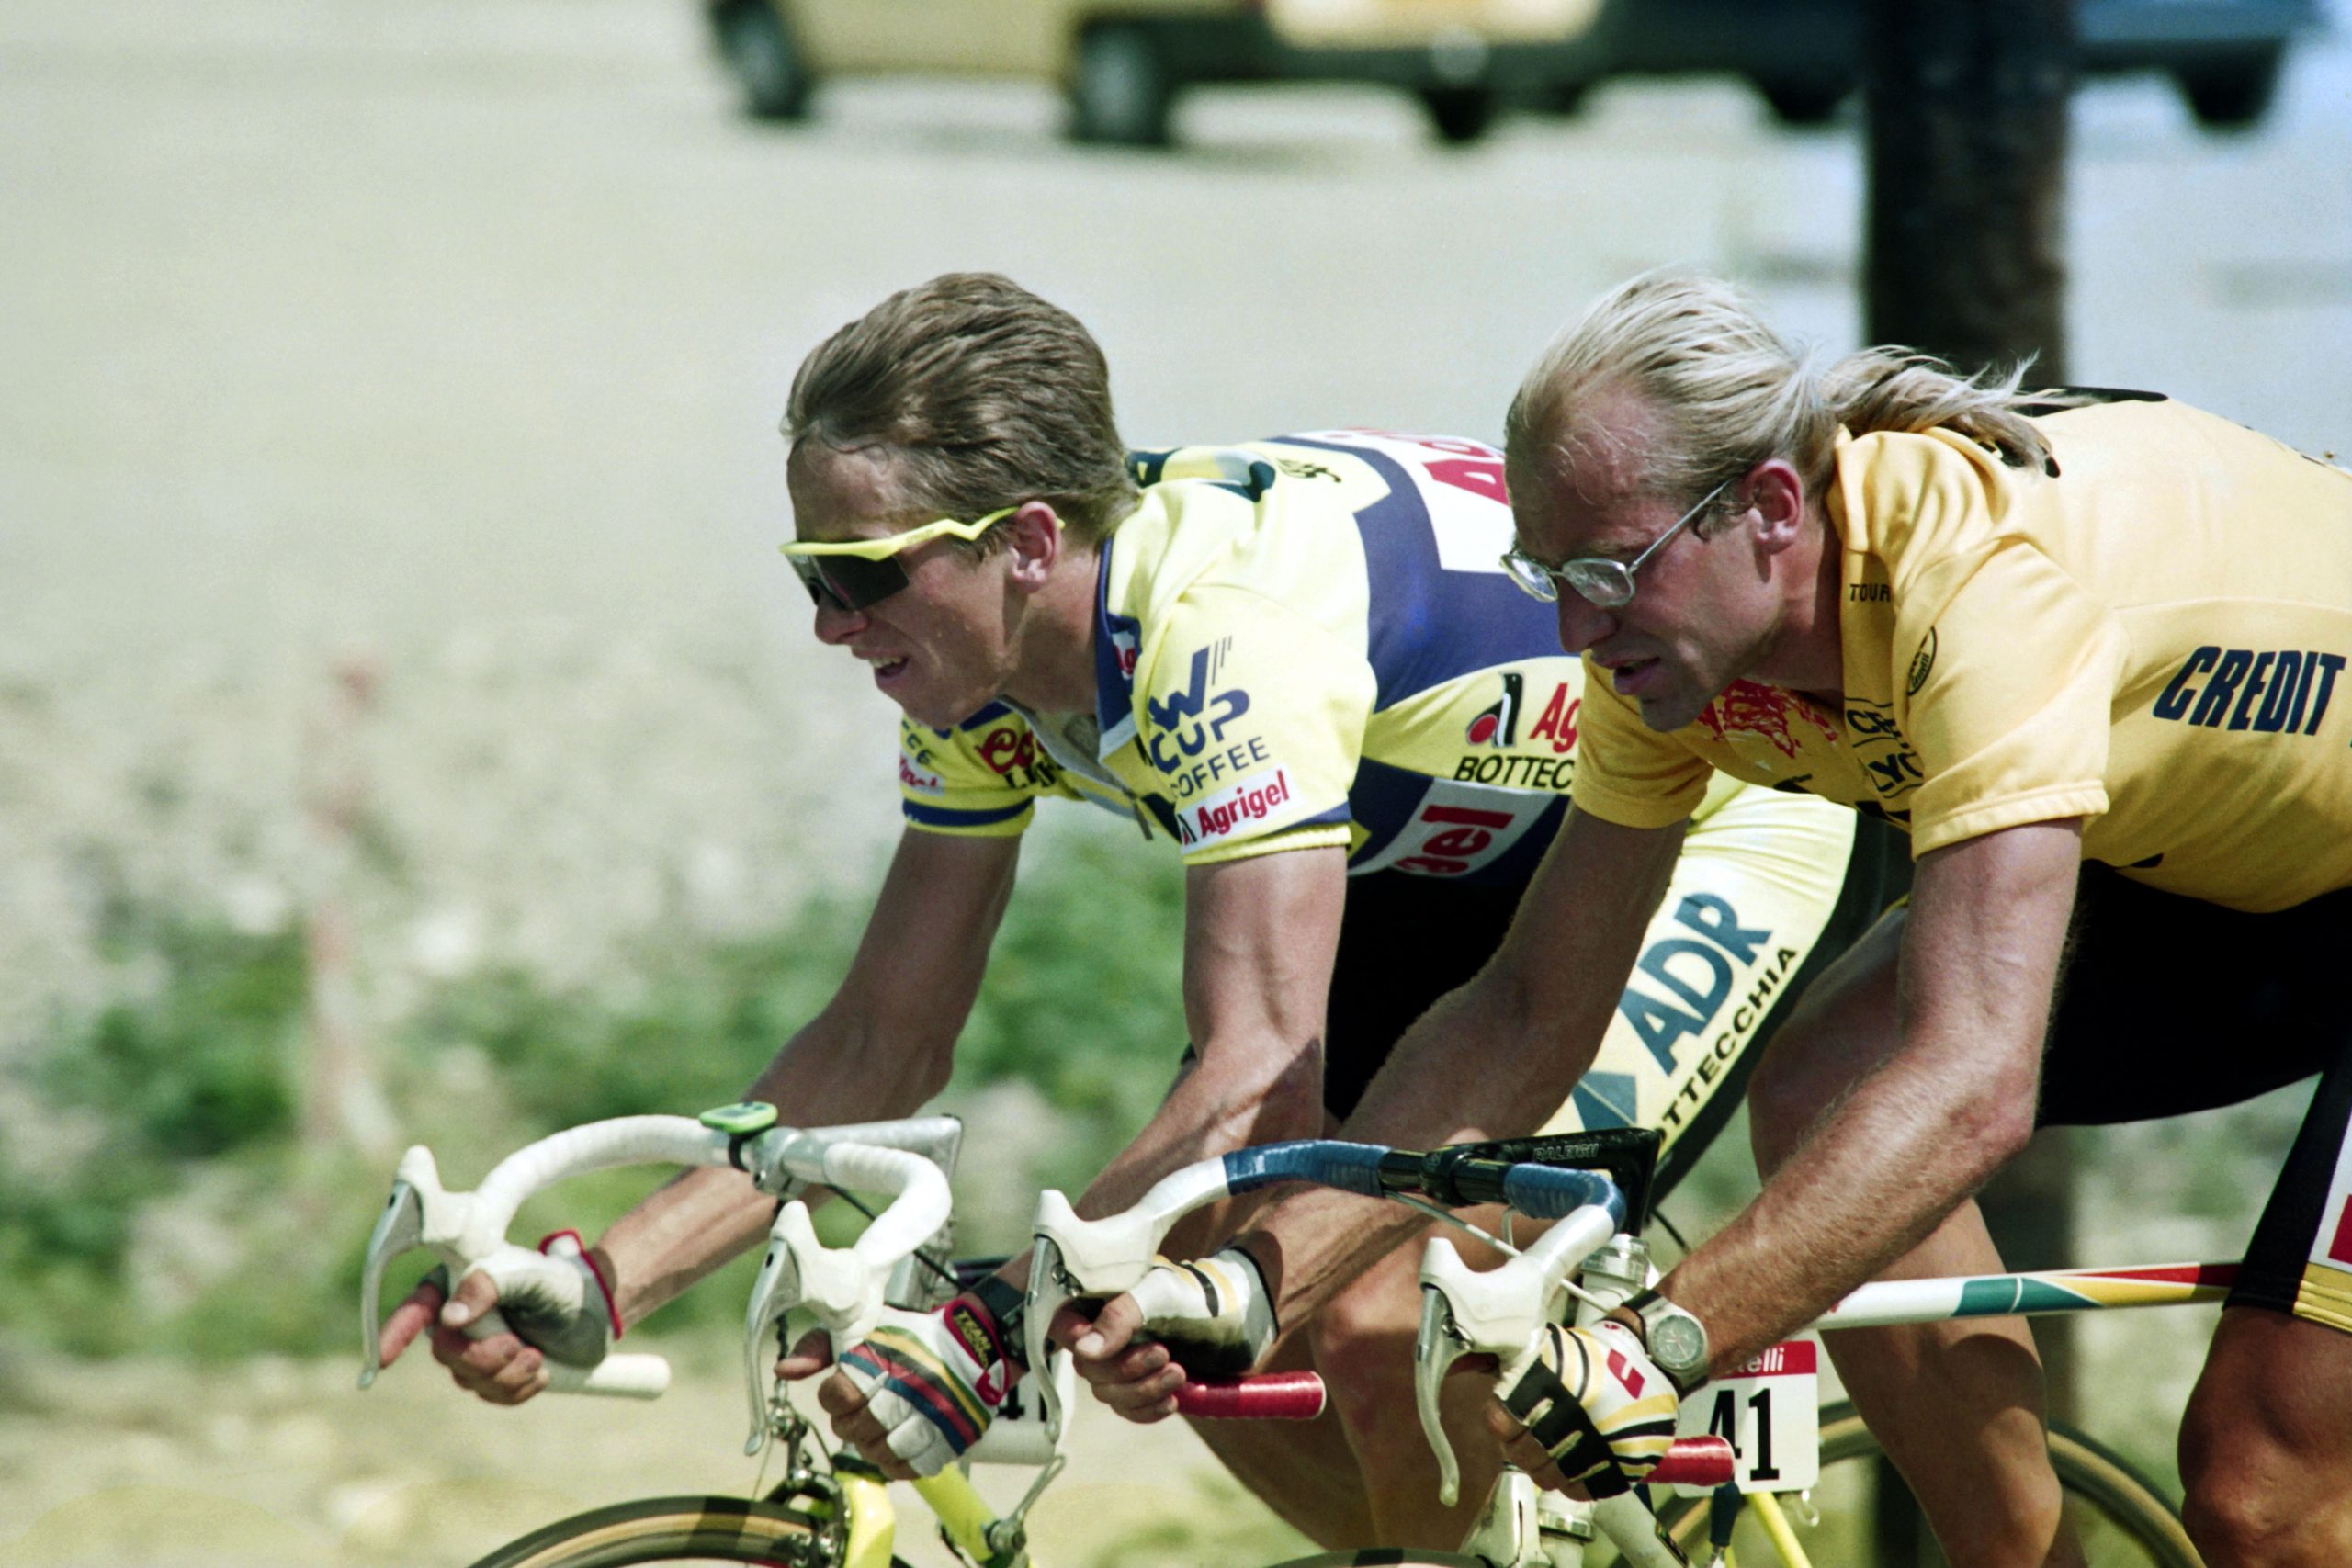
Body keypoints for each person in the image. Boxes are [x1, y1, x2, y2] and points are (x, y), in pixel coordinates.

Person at [374, 273, 1874, 1551]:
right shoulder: (971, 675)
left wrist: (989, 1313)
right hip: (1445, 866)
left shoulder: (1225, 633)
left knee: (1373, 1314)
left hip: (1707, 817)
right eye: (810, 577)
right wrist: (603, 1279)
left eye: (863, 577)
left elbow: (1258, 1063)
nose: (834, 627)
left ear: (1026, 541)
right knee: (1189, 1329)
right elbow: (880, 1042)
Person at [1071, 270, 2352, 1567]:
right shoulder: (1669, 658)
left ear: (1772, 510)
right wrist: (1253, 1281)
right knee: (1824, 1093)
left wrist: (1657, 1342)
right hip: (2235, 874)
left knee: (2265, 1490)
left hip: (2295, 882)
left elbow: (1974, 1086)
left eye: (1606, 570)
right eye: (1546, 573)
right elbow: (1528, 1013)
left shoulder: (1978, 587)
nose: (1574, 624)